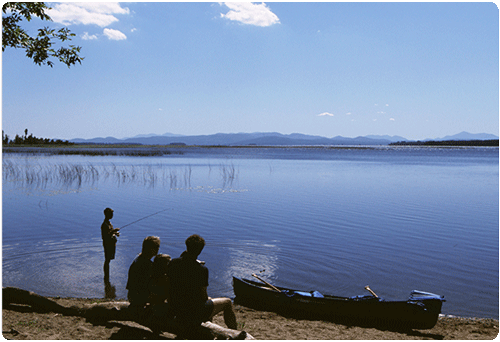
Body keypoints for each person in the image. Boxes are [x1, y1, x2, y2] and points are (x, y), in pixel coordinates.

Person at [166, 234, 237, 330]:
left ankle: (204, 329)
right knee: (227, 302)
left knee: (210, 299)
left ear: (187, 245)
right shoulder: (202, 270)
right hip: (192, 312)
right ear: (200, 250)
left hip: (174, 306)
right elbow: (203, 297)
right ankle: (234, 331)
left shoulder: (173, 263)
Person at [126, 236, 160, 318]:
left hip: (131, 294)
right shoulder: (147, 265)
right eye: (157, 247)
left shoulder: (139, 259)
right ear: (152, 249)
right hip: (138, 297)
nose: (158, 249)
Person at [101, 208, 120, 281]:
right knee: (107, 260)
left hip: (112, 244)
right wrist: (114, 231)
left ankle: (107, 276)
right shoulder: (104, 225)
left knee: (109, 260)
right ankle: (106, 276)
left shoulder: (109, 223)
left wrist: (115, 233)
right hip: (107, 245)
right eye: (111, 214)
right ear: (107, 215)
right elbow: (105, 236)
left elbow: (111, 232)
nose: (112, 215)